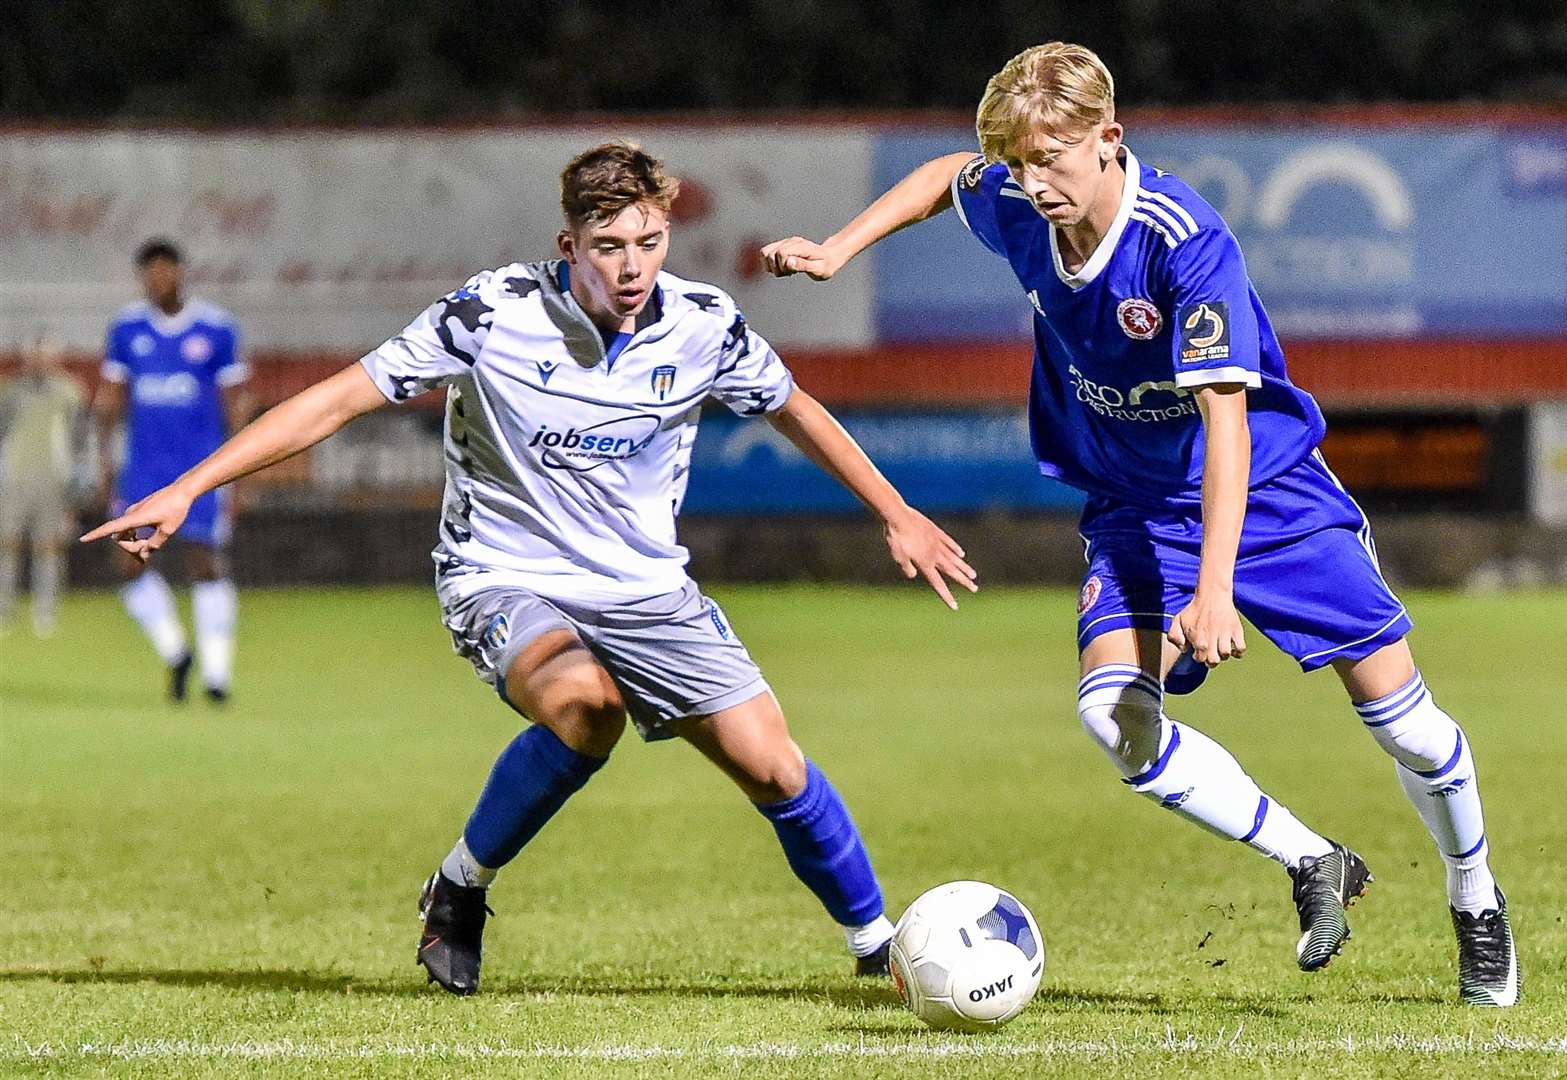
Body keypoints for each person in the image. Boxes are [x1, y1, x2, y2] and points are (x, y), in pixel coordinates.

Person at [86, 142, 977, 996]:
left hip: (646, 589)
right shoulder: (490, 315)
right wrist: (187, 488)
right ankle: (461, 888)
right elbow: (338, 399)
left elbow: (795, 408)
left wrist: (896, 513)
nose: (632, 267)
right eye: (608, 247)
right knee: (587, 706)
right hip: (502, 574)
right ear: (568, 245)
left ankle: (879, 948)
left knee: (774, 767)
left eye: (649, 243)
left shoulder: (703, 325)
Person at [763, 42, 1516, 1007]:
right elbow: (944, 178)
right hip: (1133, 506)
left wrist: (1211, 593)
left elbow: (1226, 425)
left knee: (1406, 728)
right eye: (1020, 164)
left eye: (1052, 160)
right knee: (1114, 718)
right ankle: (1312, 859)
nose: (1032, 185)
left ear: (1108, 138)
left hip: (1270, 500)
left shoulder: (1181, 240)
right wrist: (837, 247)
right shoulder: (1016, 199)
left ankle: (1475, 897)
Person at [93, 239, 252, 703]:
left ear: (181, 272)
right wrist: (105, 465)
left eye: (165, 271)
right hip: (144, 468)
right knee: (128, 560)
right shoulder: (127, 329)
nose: (157, 280)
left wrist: (238, 473)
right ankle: (176, 651)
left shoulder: (216, 329)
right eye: (149, 273)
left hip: (201, 470)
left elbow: (236, 404)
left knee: (205, 560)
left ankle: (217, 675)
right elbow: (111, 400)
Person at [0, 331, 85, 637]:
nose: (38, 362)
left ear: (54, 359)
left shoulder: (70, 392)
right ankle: (4, 609)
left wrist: (77, 482)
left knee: (47, 548)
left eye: (44, 356)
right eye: (33, 356)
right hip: (15, 479)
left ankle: (45, 612)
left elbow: (77, 440)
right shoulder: (10, 392)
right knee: (7, 544)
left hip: (53, 480)